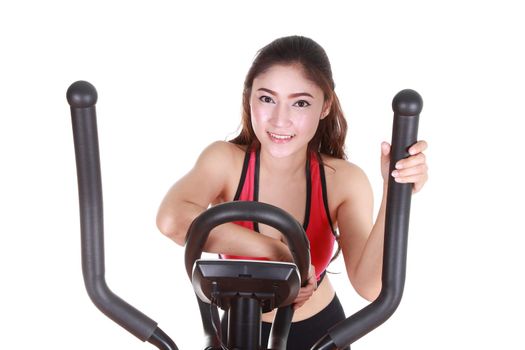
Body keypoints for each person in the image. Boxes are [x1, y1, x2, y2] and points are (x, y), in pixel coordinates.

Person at [156, 35, 428, 349]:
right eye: (267, 99)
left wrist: (395, 190)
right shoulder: (225, 161)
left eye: (300, 103)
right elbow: (172, 220)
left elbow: (371, 286)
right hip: (239, 334)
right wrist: (284, 255)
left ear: (325, 106)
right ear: (249, 98)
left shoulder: (343, 180)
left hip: (321, 334)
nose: (279, 120)